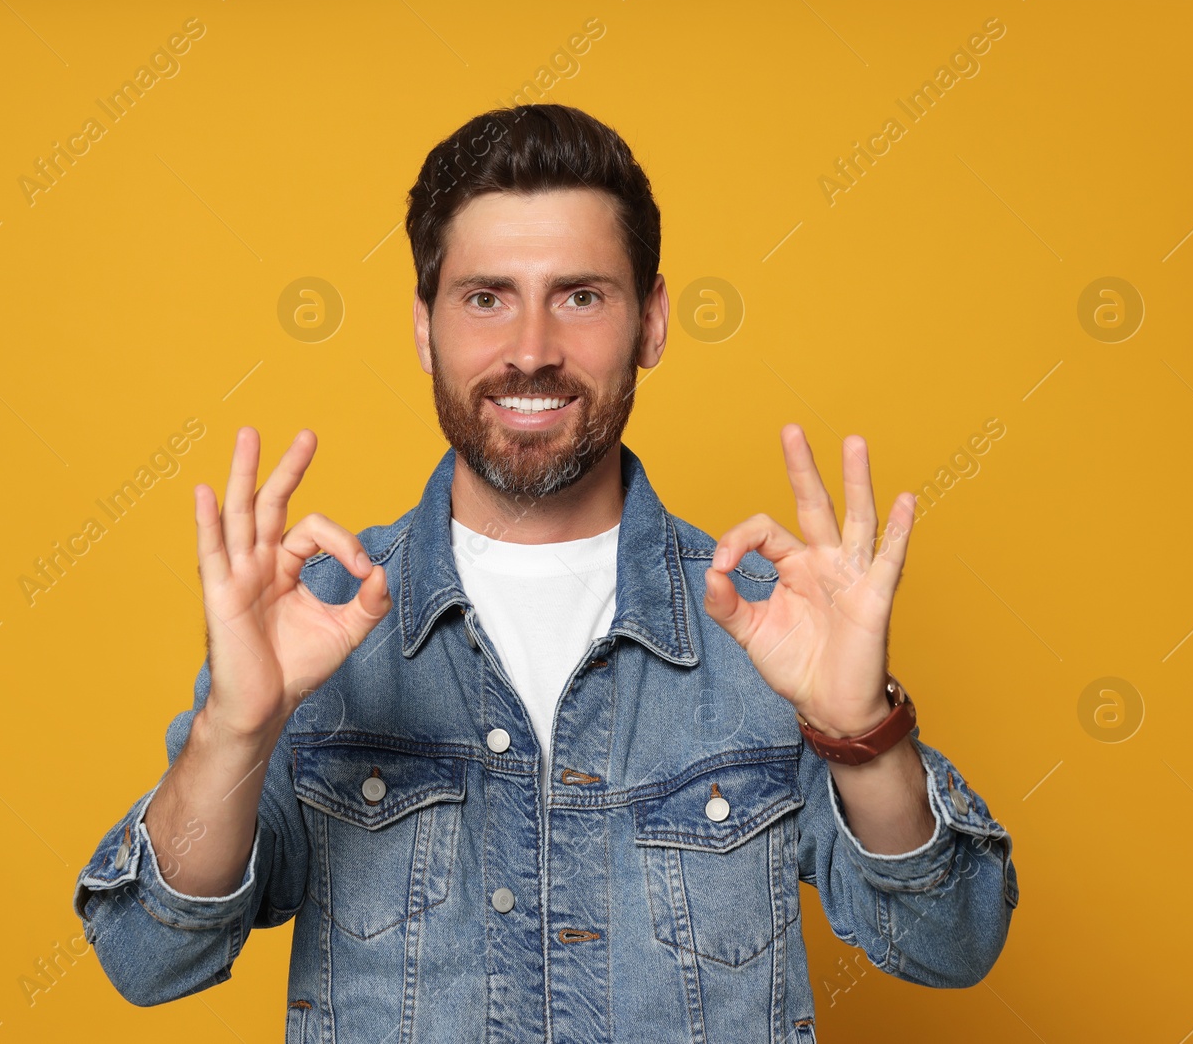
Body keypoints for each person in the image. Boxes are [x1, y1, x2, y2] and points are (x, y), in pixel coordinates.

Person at [72, 103, 1019, 1041]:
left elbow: (952, 938)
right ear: (423, 328)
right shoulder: (313, 622)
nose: (531, 348)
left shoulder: (772, 630)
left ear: (650, 323)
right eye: (486, 297)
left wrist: (865, 731)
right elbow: (151, 959)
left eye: (580, 295)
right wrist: (235, 730)